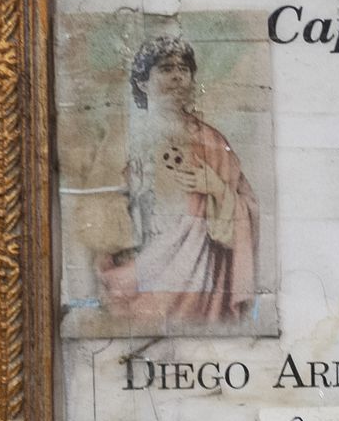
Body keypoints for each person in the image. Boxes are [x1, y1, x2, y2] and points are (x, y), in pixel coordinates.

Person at [99, 37, 261, 327]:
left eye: (184, 69)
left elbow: (248, 207)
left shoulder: (212, 140)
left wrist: (217, 188)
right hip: (138, 267)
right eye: (165, 68)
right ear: (142, 82)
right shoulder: (121, 139)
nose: (177, 76)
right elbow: (95, 210)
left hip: (198, 279)